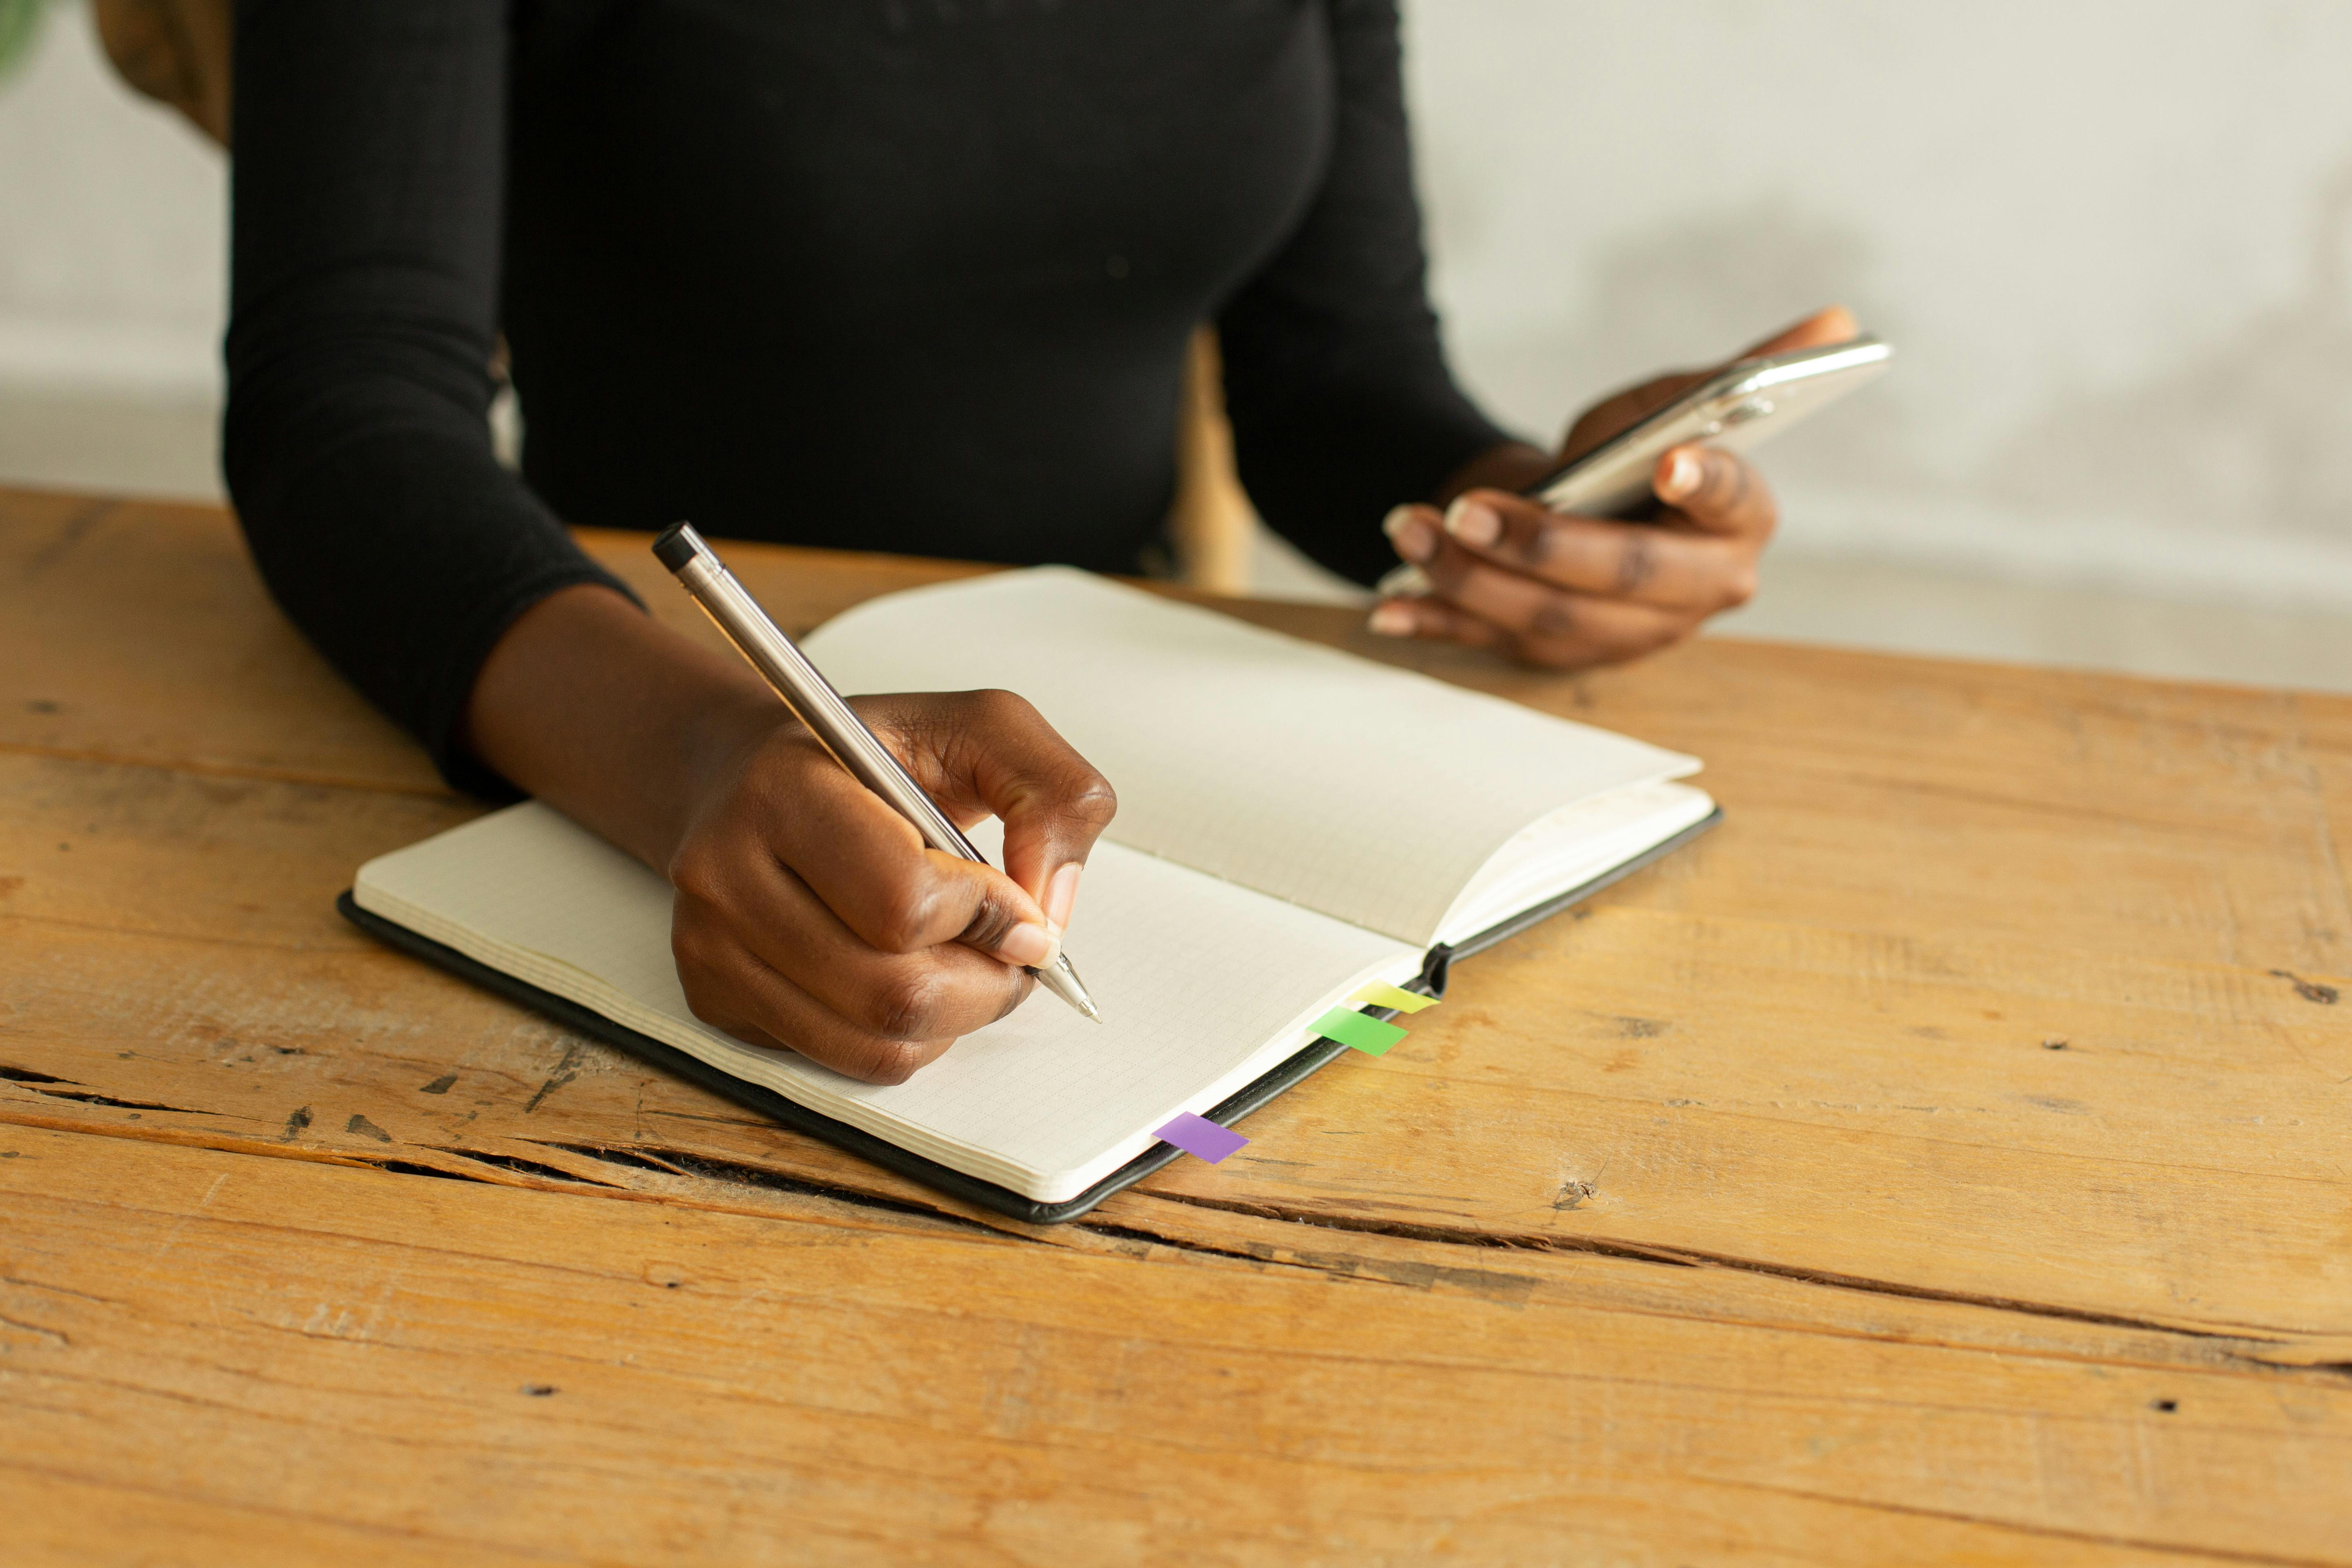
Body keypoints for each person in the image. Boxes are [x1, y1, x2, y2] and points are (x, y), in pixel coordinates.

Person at [225, 1, 1852, 1084]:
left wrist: (1534, 519)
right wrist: (705, 760)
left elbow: (1330, 373)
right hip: (628, 688)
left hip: (1111, 723)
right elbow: (345, 411)